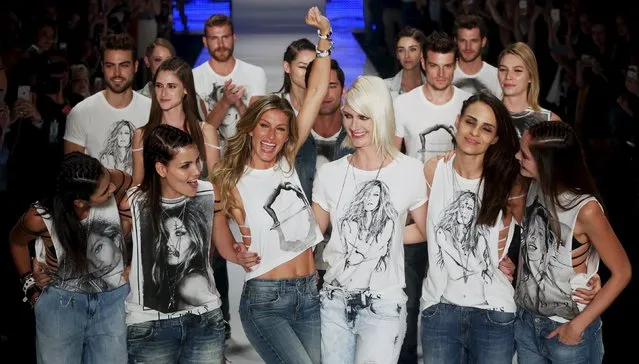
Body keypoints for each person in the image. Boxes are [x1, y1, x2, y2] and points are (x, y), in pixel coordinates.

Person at [210, 7, 332, 364]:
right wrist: (233, 251)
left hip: (310, 293)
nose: (272, 136)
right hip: (265, 299)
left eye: (280, 129)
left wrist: (324, 37)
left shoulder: (286, 161)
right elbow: (218, 226)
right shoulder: (230, 178)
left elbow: (316, 92)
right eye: (265, 126)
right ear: (250, 128)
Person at [311, 75, 427, 364]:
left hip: (384, 304)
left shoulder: (411, 170)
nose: (354, 125)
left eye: (364, 116)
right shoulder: (330, 173)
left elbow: (425, 231)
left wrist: (387, 235)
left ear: (381, 115)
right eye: (348, 115)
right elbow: (311, 234)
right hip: (334, 301)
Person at [123, 124, 254, 362]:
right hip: (149, 325)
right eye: (185, 166)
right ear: (161, 168)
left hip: (205, 320)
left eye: (197, 162)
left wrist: (240, 255)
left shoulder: (209, 194)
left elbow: (225, 247)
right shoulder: (133, 202)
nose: (196, 172)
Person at [417, 91, 522, 364]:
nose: (474, 132)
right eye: (470, 122)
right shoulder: (433, 170)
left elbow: (539, 232)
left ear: (496, 138)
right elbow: (421, 228)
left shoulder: (508, 181)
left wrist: (582, 272)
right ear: (457, 121)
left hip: (493, 311)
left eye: (486, 128)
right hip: (440, 308)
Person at [514, 121, 631, 363]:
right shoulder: (533, 186)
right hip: (527, 325)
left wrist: (577, 327)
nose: (517, 156)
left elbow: (623, 272)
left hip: (567, 330)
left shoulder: (585, 210)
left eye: (524, 155)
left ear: (548, 164)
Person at [9, 152, 132, 363]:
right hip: (61, 304)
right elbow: (16, 241)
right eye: (104, 190)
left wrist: (125, 226)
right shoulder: (39, 218)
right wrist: (30, 287)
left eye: (109, 182)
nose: (112, 188)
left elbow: (131, 188)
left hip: (113, 301)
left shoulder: (115, 179)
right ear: (80, 202)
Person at [64, 33, 151, 174]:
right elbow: (72, 176)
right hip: (96, 195)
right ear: (103, 67)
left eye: (124, 65)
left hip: (142, 195)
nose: (117, 73)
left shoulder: (151, 110)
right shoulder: (80, 113)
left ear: (135, 66)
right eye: (110, 66)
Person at [131, 56, 220, 185]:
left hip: (197, 203)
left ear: (185, 89)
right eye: (159, 86)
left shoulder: (205, 132)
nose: (163, 93)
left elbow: (217, 184)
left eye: (171, 86)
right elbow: (138, 184)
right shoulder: (142, 135)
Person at [193, 13, 267, 144]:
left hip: (246, 155)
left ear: (234, 37)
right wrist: (225, 102)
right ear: (205, 41)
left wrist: (239, 104)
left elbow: (257, 127)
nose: (220, 44)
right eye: (214, 38)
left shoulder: (255, 73)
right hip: (210, 158)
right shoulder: (194, 77)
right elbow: (201, 133)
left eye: (225, 37)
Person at [498, 42, 560, 139]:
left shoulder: (549, 122)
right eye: (503, 70)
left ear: (530, 76)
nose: (508, 76)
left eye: (517, 70)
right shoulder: (486, 114)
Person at [453, 14, 503, 98]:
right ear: (456, 41)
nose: (468, 47)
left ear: (483, 42)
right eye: (463, 41)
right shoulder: (444, 73)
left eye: (474, 41)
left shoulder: (497, 76)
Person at [384, 26, 427, 100]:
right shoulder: (384, 88)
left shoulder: (433, 88)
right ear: (397, 54)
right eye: (401, 50)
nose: (407, 55)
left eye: (413, 49)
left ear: (422, 53)